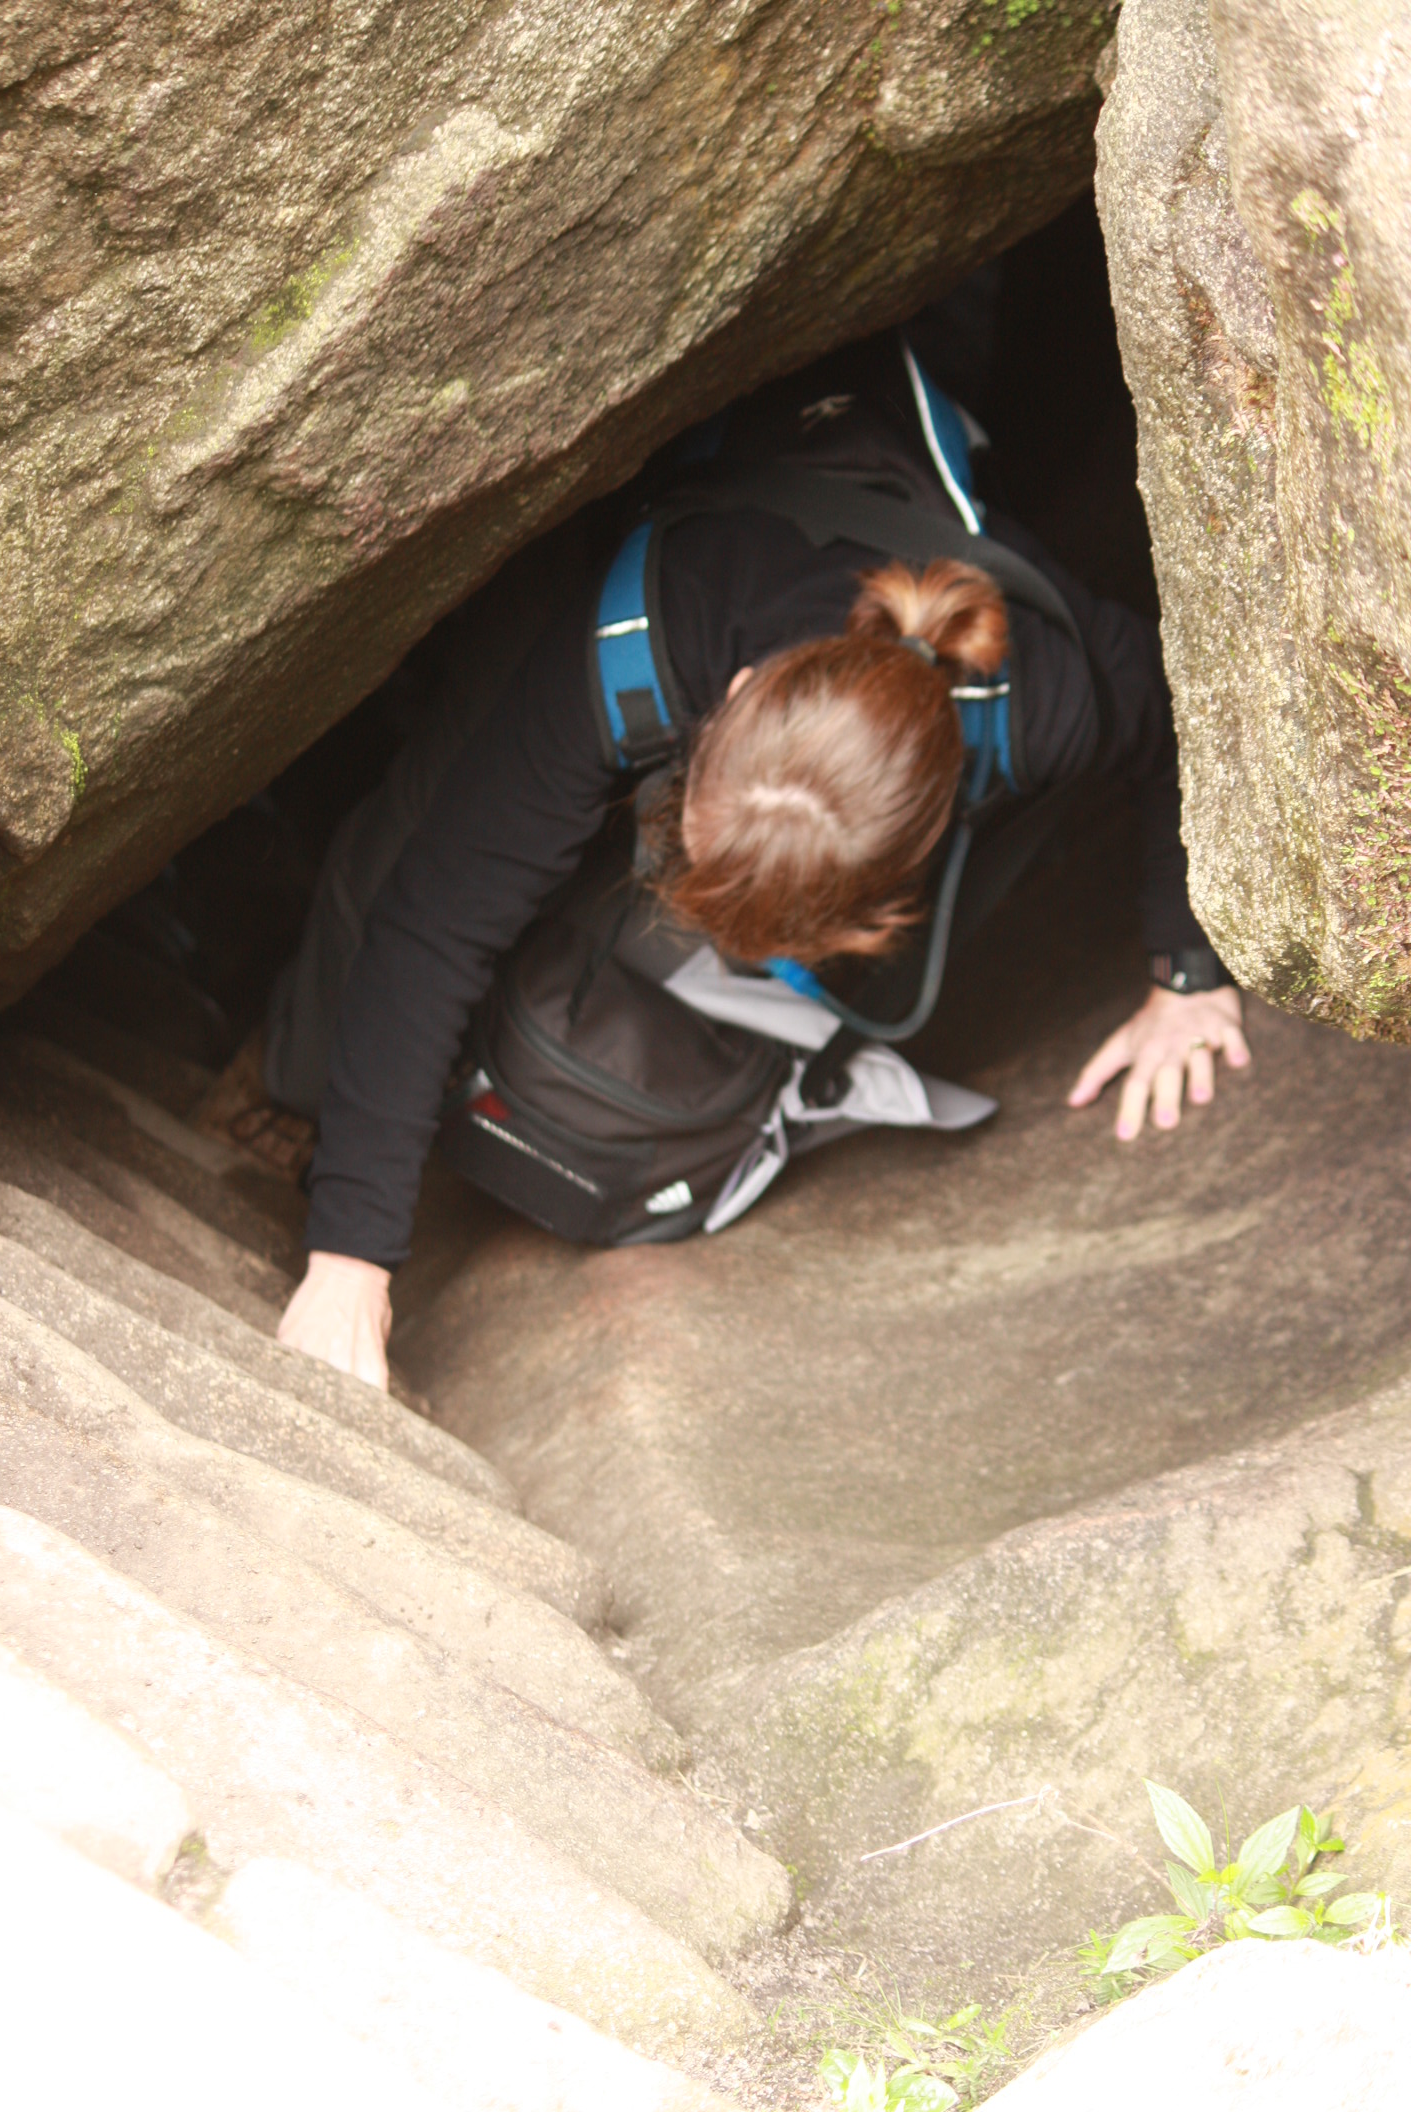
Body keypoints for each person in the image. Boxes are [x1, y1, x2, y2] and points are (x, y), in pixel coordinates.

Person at [248, 350, 1248, 1391]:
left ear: (929, 836)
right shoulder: (650, 631)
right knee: (427, 820)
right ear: (724, 699)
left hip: (902, 436)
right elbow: (435, 922)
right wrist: (351, 1255)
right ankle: (286, 1085)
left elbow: (1186, 724)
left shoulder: (1042, 697)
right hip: (689, 451)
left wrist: (1186, 971)